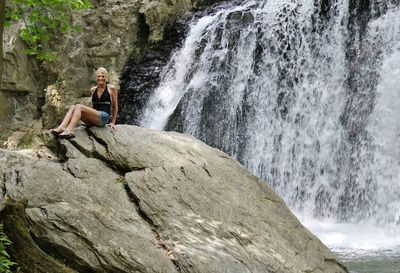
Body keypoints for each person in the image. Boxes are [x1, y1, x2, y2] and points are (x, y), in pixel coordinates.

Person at [51, 67, 118, 139]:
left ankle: (69, 130)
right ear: (96, 77)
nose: (101, 78)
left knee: (79, 106)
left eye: (103, 76)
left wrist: (113, 122)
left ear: (106, 77)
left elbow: (115, 106)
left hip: (104, 117)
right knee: (73, 107)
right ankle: (62, 127)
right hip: (94, 118)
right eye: (99, 76)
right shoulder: (93, 90)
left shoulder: (111, 88)